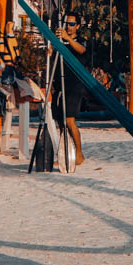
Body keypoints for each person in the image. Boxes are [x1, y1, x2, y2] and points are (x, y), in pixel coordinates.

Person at [53, 14, 87, 164]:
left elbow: (82, 50)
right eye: (67, 23)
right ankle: (66, 152)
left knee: (69, 120)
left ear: (78, 26)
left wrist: (67, 38)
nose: (69, 26)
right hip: (59, 84)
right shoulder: (59, 41)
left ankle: (79, 154)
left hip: (74, 85)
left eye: (72, 24)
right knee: (60, 121)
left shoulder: (79, 40)